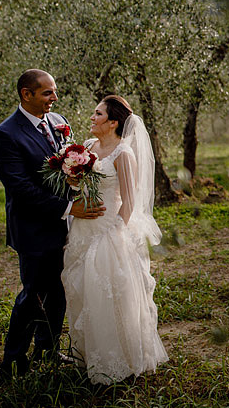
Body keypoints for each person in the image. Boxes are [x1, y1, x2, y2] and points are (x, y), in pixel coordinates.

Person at [0, 69, 105, 379]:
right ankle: (12, 361)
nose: (55, 98)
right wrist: (70, 207)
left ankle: (48, 350)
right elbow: (21, 189)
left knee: (59, 291)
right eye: (47, 93)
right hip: (33, 228)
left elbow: (69, 161)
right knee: (33, 294)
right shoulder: (6, 135)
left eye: (54, 92)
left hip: (65, 226)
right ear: (26, 94)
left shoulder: (57, 122)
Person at [62, 94, 168, 384]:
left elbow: (129, 204)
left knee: (109, 293)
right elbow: (76, 185)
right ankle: (89, 355)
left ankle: (121, 358)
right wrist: (72, 178)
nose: (92, 118)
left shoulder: (124, 153)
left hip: (109, 232)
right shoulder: (86, 147)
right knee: (82, 290)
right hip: (82, 229)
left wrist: (114, 234)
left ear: (112, 122)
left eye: (98, 114)